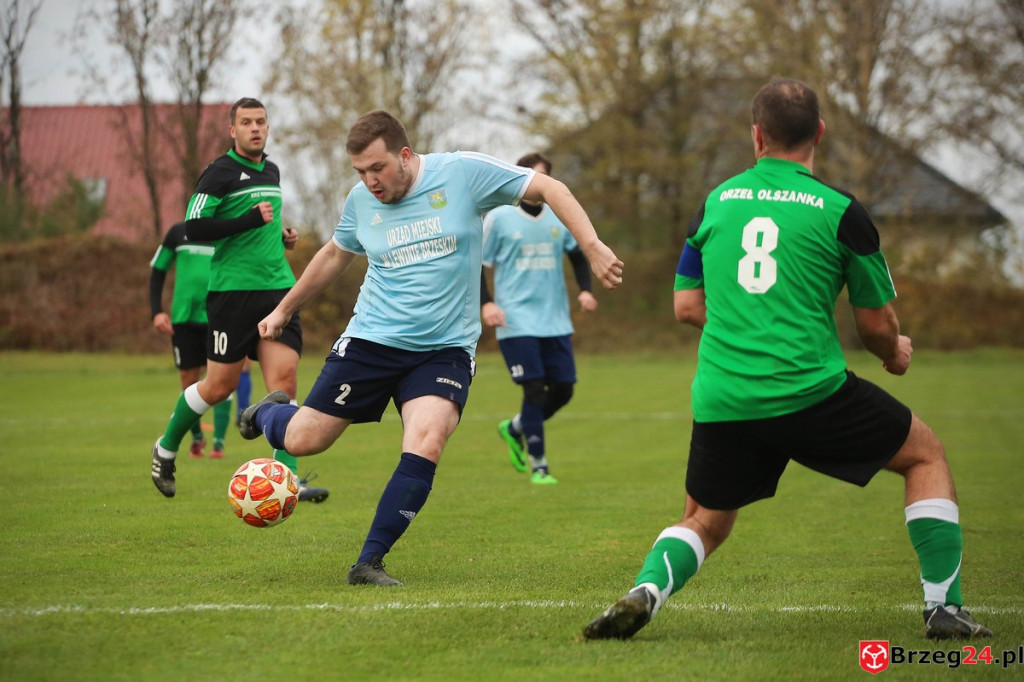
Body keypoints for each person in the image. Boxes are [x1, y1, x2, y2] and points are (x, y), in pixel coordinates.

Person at [583, 78, 992, 642]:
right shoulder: (841, 210)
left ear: (756, 136)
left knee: (704, 518)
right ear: (819, 132)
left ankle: (647, 591)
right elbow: (875, 324)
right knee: (925, 456)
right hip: (810, 392)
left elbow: (684, 306)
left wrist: (742, 324)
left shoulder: (716, 201)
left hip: (725, 395)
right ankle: (944, 608)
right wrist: (894, 352)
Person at [238, 110, 623, 586]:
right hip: (371, 341)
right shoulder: (362, 201)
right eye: (359, 171)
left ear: (405, 155)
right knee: (303, 439)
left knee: (428, 439)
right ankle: (266, 415)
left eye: (377, 168)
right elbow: (335, 254)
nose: (369, 180)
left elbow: (549, 188)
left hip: (444, 350)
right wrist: (284, 309)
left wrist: (591, 244)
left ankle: (369, 562)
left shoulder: (462, 174)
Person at [149, 97, 328, 504]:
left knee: (283, 385)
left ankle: (289, 480)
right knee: (218, 386)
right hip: (231, 296)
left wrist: (282, 236)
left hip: (278, 290)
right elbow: (194, 227)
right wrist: (248, 220)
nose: (255, 128)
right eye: (246, 122)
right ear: (232, 130)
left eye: (261, 121)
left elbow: (264, 223)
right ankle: (165, 448)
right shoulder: (219, 173)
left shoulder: (272, 169)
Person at [481, 152, 598, 485]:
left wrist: (585, 291)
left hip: (555, 319)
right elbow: (477, 265)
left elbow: (576, 255)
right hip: (515, 320)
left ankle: (515, 427)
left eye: (544, 178)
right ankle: (540, 465)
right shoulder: (500, 218)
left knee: (563, 390)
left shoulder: (558, 217)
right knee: (533, 389)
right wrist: (487, 304)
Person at [149, 221, 233, 459]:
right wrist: (156, 311)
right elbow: (158, 270)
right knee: (188, 380)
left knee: (222, 377)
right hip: (183, 318)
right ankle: (197, 437)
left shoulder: (227, 229)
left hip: (219, 316)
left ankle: (219, 444)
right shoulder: (177, 232)